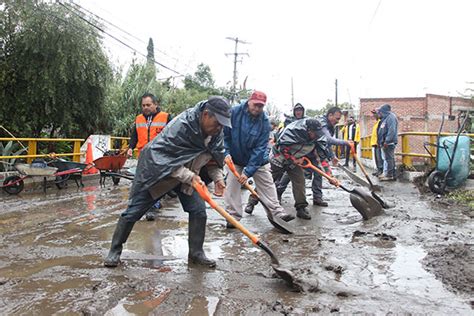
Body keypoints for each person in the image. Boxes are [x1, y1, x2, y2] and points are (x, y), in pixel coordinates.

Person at [104, 96, 230, 269]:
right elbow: (163, 160)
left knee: (199, 211)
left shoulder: (215, 133)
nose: (219, 128)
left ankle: (196, 253)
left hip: (187, 175)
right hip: (158, 173)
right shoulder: (182, 125)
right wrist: (191, 177)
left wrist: (218, 178)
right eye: (217, 123)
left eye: (223, 124)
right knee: (133, 212)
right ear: (206, 115)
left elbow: (213, 159)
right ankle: (114, 251)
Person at [224, 91, 294, 228]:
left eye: (260, 106)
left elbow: (260, 149)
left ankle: (277, 213)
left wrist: (248, 172)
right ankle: (233, 217)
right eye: (255, 105)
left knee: (267, 184)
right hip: (235, 157)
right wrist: (225, 153)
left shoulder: (265, 122)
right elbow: (225, 136)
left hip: (257, 160)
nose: (257, 109)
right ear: (249, 101)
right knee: (232, 185)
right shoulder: (234, 113)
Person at [270, 118, 333, 220]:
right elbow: (283, 149)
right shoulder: (293, 132)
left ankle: (301, 208)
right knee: (268, 182)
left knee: (299, 181)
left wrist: (330, 175)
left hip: (295, 161)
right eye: (314, 133)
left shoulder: (317, 138)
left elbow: (322, 158)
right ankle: (252, 201)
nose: (317, 135)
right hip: (279, 158)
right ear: (308, 130)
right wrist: (294, 160)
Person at [128, 93, 173, 221]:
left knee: (156, 181)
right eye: (143, 105)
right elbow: (134, 136)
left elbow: (173, 135)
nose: (146, 107)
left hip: (160, 155)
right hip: (143, 155)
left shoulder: (165, 117)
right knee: (145, 181)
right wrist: (130, 148)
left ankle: (153, 206)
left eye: (148, 105)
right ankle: (151, 204)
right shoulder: (138, 119)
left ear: (155, 104)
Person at [377, 104, 398, 181]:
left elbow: (391, 130)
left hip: (389, 142)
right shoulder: (386, 118)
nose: (380, 113)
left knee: (389, 159)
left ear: (384, 111)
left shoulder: (391, 117)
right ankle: (387, 174)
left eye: (381, 112)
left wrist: (387, 140)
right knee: (387, 158)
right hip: (385, 142)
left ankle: (390, 175)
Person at [370, 109, 383, 176]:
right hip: (375, 143)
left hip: (378, 143)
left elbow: (380, 133)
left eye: (375, 114)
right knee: (376, 158)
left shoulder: (380, 122)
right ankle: (378, 170)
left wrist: (379, 141)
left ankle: (381, 170)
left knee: (379, 157)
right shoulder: (377, 122)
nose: (374, 115)